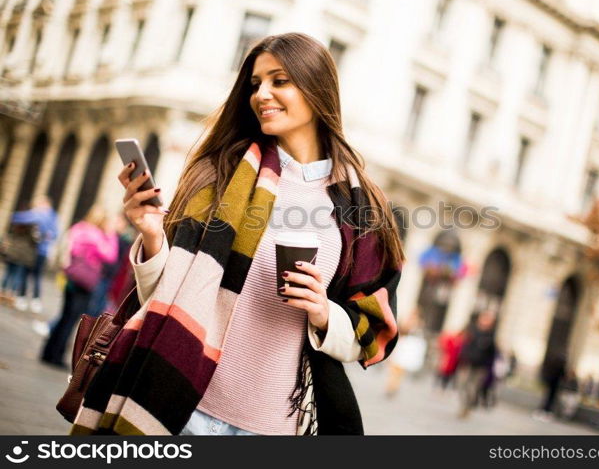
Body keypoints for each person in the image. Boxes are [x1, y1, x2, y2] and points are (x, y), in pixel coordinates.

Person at [70, 32, 403, 436]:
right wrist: (153, 237)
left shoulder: (361, 206)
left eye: (280, 81)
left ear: (317, 89)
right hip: (174, 406)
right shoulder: (219, 172)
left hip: (270, 426)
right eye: (256, 83)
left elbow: (373, 335)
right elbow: (159, 298)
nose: (262, 93)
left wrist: (322, 311)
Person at [40, 205, 118, 368]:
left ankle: (47, 352)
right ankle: (56, 356)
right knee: (73, 318)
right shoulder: (97, 236)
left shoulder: (79, 228)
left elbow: (69, 248)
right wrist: (111, 235)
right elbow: (110, 256)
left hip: (71, 276)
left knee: (64, 315)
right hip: (86, 280)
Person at [8, 195, 59, 313]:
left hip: (34, 251)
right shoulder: (54, 216)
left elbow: (17, 217)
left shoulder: (39, 214)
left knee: (25, 274)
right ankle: (36, 301)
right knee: (37, 276)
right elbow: (55, 234)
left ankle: (22, 298)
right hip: (43, 252)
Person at [457, 309, 497, 418]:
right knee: (461, 384)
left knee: (473, 388)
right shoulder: (471, 330)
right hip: (467, 363)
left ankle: (467, 406)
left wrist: (489, 368)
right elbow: (462, 342)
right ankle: (465, 404)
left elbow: (493, 353)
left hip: (480, 367)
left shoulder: (491, 335)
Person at [533, 352, 567, 422]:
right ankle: (546, 412)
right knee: (550, 399)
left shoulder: (553, 365)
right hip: (555, 385)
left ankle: (543, 411)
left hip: (551, 384)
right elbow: (563, 377)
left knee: (547, 399)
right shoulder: (560, 367)